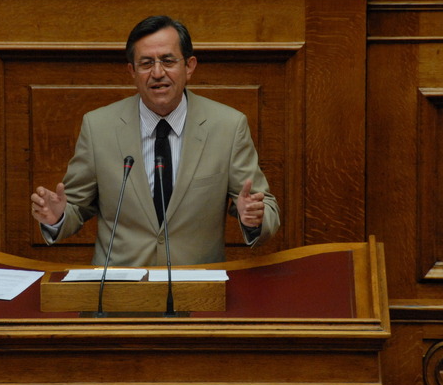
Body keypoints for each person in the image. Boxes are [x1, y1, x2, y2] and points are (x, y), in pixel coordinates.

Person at [30, 15, 280, 266]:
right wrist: (58, 217)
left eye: (168, 61)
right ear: (132, 71)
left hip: (196, 281)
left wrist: (255, 218)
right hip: (119, 283)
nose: (158, 73)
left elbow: (265, 206)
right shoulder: (98, 127)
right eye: (146, 63)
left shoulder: (228, 126)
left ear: (189, 66)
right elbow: (76, 206)